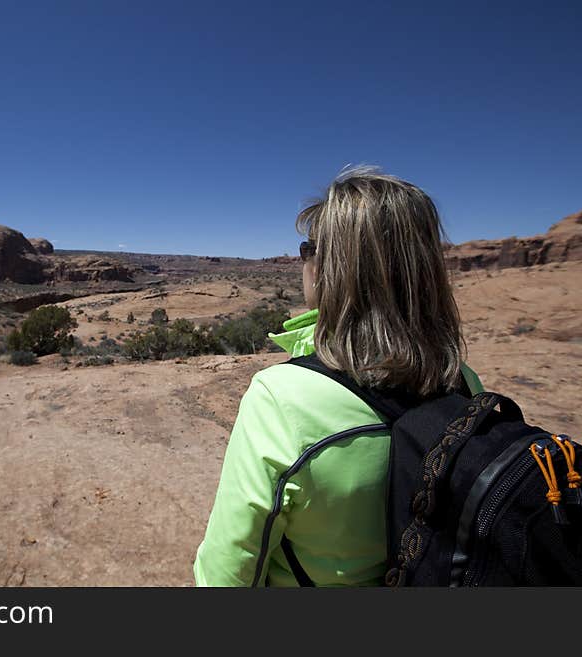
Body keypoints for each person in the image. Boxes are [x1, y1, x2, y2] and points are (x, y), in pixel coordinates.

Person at [193, 165, 484, 587]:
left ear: (335, 267)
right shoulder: (466, 383)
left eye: (308, 248)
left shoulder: (283, 398)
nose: (302, 261)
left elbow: (228, 572)